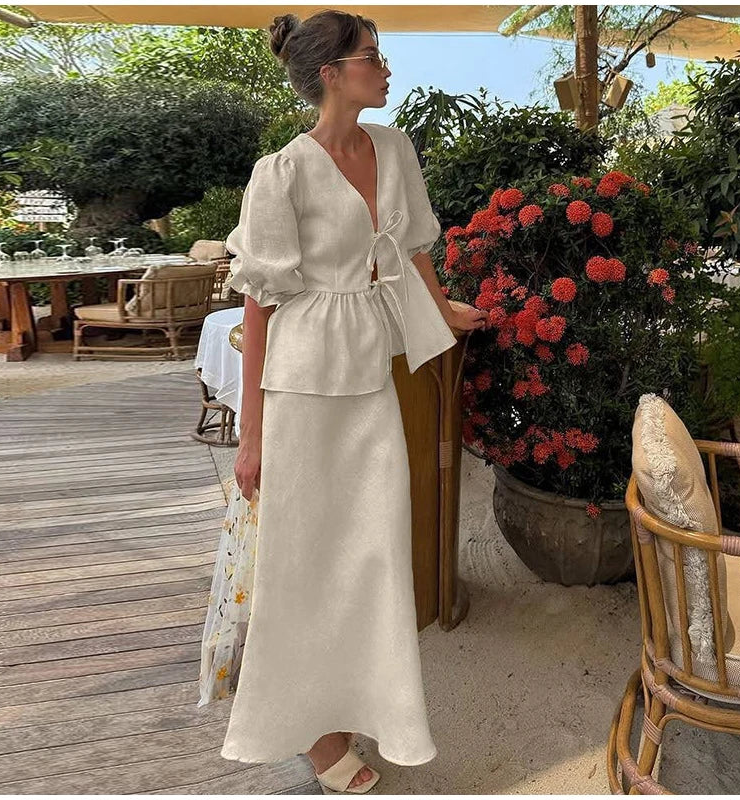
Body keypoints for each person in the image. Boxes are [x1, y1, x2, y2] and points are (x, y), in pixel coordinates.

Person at [220, 9, 488, 793]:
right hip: (300, 386)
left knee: (372, 555)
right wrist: (250, 435)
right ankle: (315, 732)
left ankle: (377, 705)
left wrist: (443, 310)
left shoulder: (395, 148)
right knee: (302, 565)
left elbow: (410, 249)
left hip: (370, 373)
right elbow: (259, 305)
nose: (385, 67)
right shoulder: (283, 172)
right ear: (331, 73)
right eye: (371, 57)